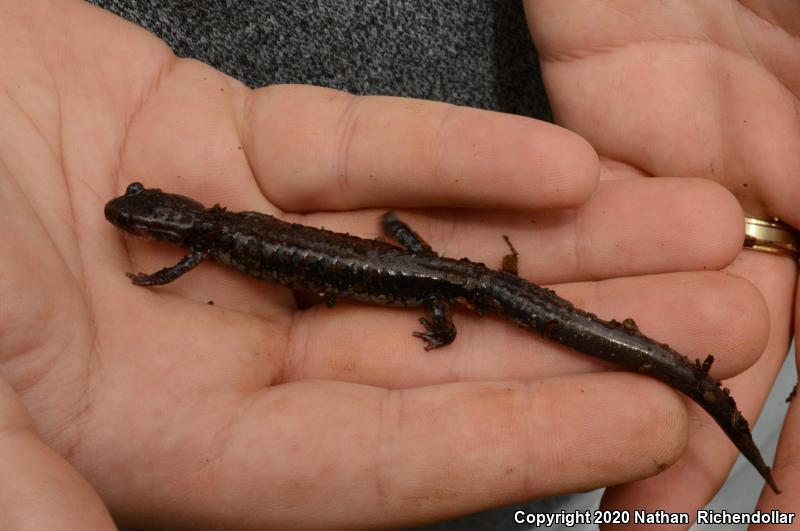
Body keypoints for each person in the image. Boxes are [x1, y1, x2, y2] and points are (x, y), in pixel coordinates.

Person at [0, 1, 795, 530]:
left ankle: (689, 382)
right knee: (470, 304)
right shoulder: (218, 230)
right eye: (142, 216)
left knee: (484, 321)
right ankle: (682, 379)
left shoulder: (207, 241)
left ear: (175, 224)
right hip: (435, 272)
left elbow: (179, 272)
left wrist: (148, 280)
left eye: (142, 213)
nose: (139, 220)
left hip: (438, 283)